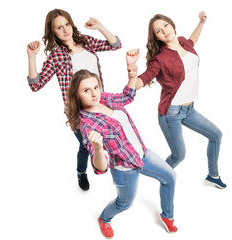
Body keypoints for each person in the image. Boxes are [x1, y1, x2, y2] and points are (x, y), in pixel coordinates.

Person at [65, 49, 177, 238]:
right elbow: (99, 168)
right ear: (77, 95)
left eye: (96, 87)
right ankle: (104, 219)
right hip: (125, 169)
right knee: (124, 203)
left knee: (170, 177)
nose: (94, 94)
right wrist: (99, 148)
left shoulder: (104, 98)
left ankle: (167, 216)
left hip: (141, 153)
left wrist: (132, 73)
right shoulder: (87, 124)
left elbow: (127, 97)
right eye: (86, 90)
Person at [126, 11, 227, 189]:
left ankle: (213, 175)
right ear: (156, 37)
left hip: (189, 110)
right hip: (170, 113)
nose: (164, 31)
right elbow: (142, 80)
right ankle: (150, 173)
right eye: (158, 31)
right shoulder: (160, 59)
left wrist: (201, 22)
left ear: (171, 24)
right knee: (179, 155)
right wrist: (132, 73)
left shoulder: (183, 42)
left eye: (165, 25)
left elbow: (192, 39)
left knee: (216, 135)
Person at [26, 9, 122, 191]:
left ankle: (119, 173)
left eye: (67, 24)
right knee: (86, 145)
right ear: (52, 32)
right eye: (59, 27)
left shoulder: (85, 42)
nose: (65, 30)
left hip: (99, 104)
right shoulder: (56, 56)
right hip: (77, 112)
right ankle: (81, 172)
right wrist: (32, 57)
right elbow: (35, 85)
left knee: (108, 139)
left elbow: (115, 45)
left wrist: (100, 26)